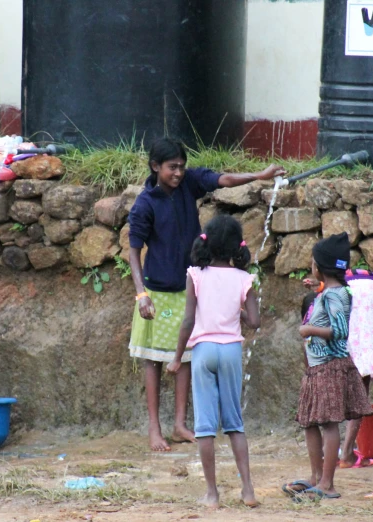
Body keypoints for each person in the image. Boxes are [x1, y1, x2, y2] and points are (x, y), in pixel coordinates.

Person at [127, 137, 284, 452]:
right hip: (157, 292)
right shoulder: (145, 204)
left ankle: (180, 425)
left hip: (187, 287)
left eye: (182, 167)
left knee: (186, 357)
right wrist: (141, 294)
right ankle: (154, 429)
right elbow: (133, 252)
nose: (179, 173)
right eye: (172, 167)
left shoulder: (190, 184)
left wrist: (259, 175)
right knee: (153, 362)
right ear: (156, 167)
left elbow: (224, 180)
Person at [166, 215, 260, 509]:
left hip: (204, 350)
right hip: (231, 349)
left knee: (205, 427)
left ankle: (212, 494)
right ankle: (247, 491)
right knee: (235, 423)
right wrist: (240, 314)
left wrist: (177, 358)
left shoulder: (195, 274)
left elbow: (188, 320)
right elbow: (254, 322)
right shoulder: (245, 278)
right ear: (237, 247)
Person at [283, 233, 373, 500]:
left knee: (329, 424)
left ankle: (327, 483)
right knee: (310, 422)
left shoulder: (334, 295)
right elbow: (331, 300)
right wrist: (317, 288)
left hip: (329, 367)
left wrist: (309, 328)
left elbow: (339, 330)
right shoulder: (335, 291)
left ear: (320, 266)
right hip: (317, 368)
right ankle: (315, 477)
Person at [302, 268, 373, 468]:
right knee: (365, 374)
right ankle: (346, 454)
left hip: (366, 298)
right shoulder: (362, 292)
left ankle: (339, 455)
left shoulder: (329, 296)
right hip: (370, 298)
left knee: (355, 378)